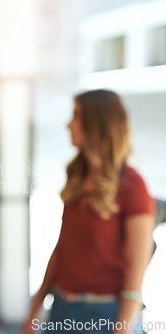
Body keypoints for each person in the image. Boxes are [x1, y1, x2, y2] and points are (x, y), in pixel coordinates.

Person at [20, 89, 155, 334]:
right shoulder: (77, 178)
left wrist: (123, 329)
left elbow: (138, 268)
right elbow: (62, 249)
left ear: (98, 122)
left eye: (76, 115)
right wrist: (34, 312)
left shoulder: (133, 185)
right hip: (61, 311)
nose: (68, 124)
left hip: (106, 316)